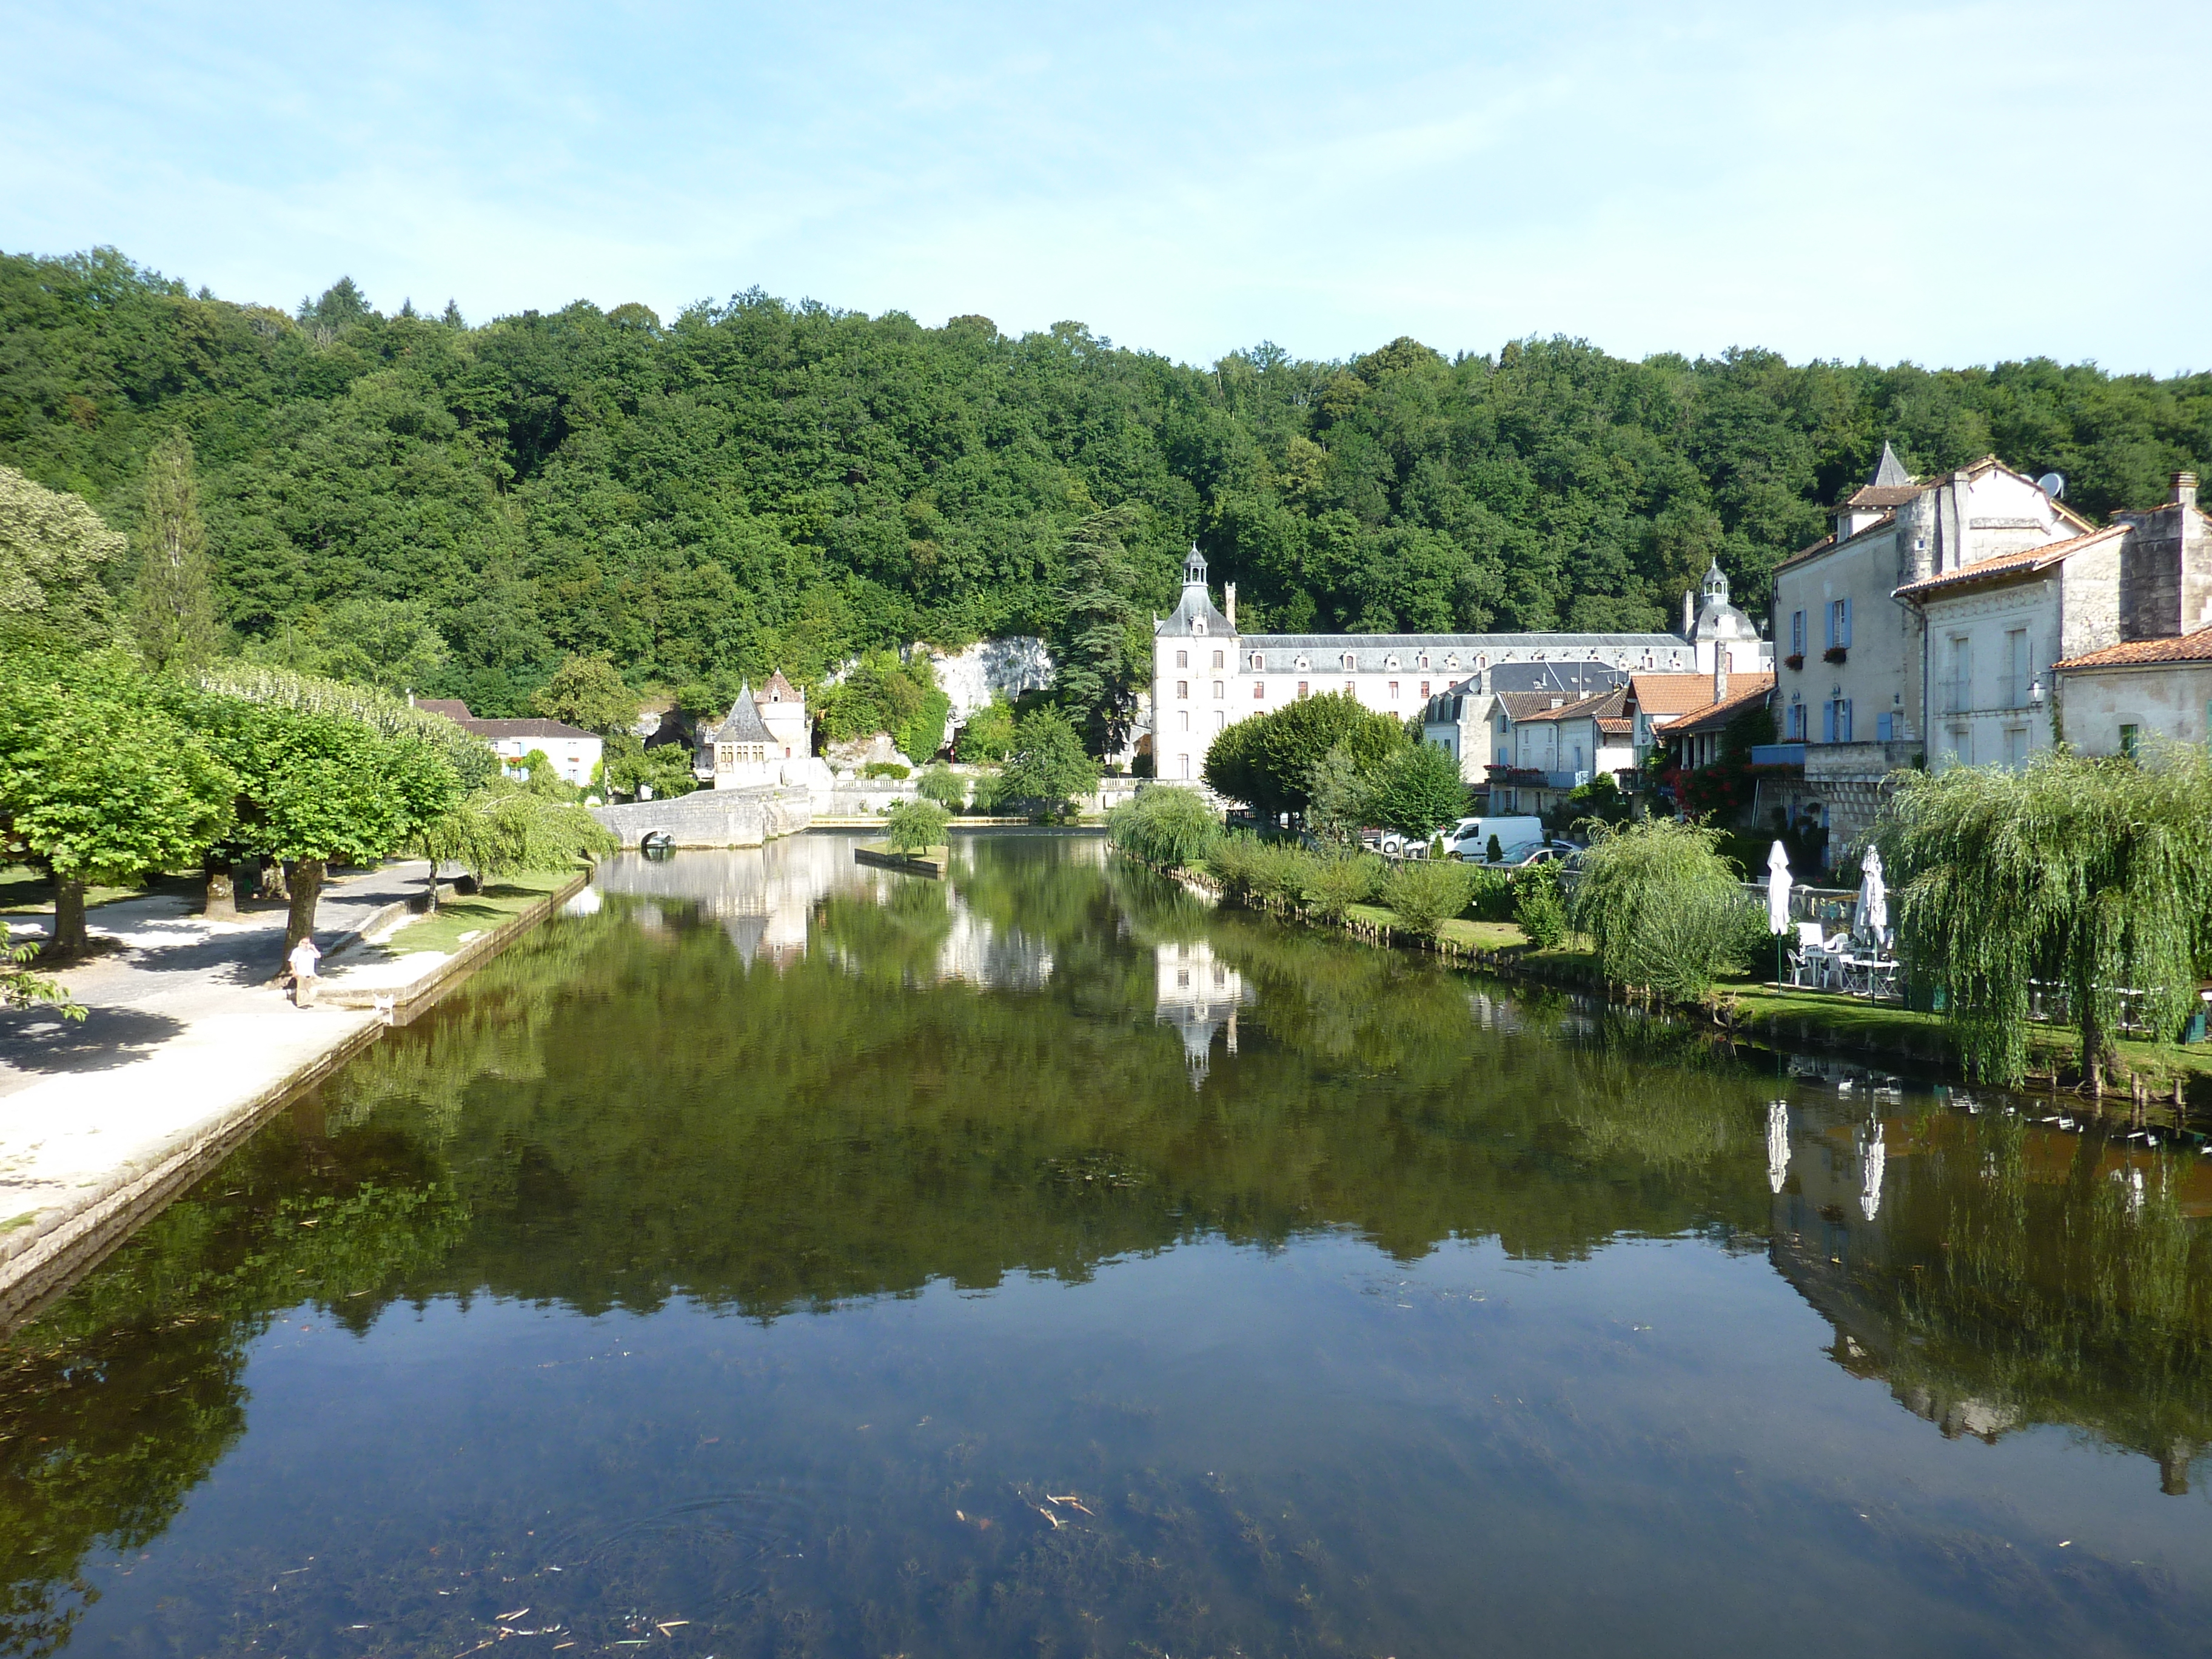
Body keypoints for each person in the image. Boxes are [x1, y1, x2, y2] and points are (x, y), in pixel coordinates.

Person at [288, 934, 321, 1008]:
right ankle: (300, 1003)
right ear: (301, 943)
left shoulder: (310, 952)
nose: (305, 945)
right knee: (301, 989)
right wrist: (294, 971)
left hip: (310, 972)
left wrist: (314, 948)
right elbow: (292, 962)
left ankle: (306, 1002)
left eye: (307, 943)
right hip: (301, 972)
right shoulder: (297, 951)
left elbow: (319, 956)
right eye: (304, 943)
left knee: (308, 988)